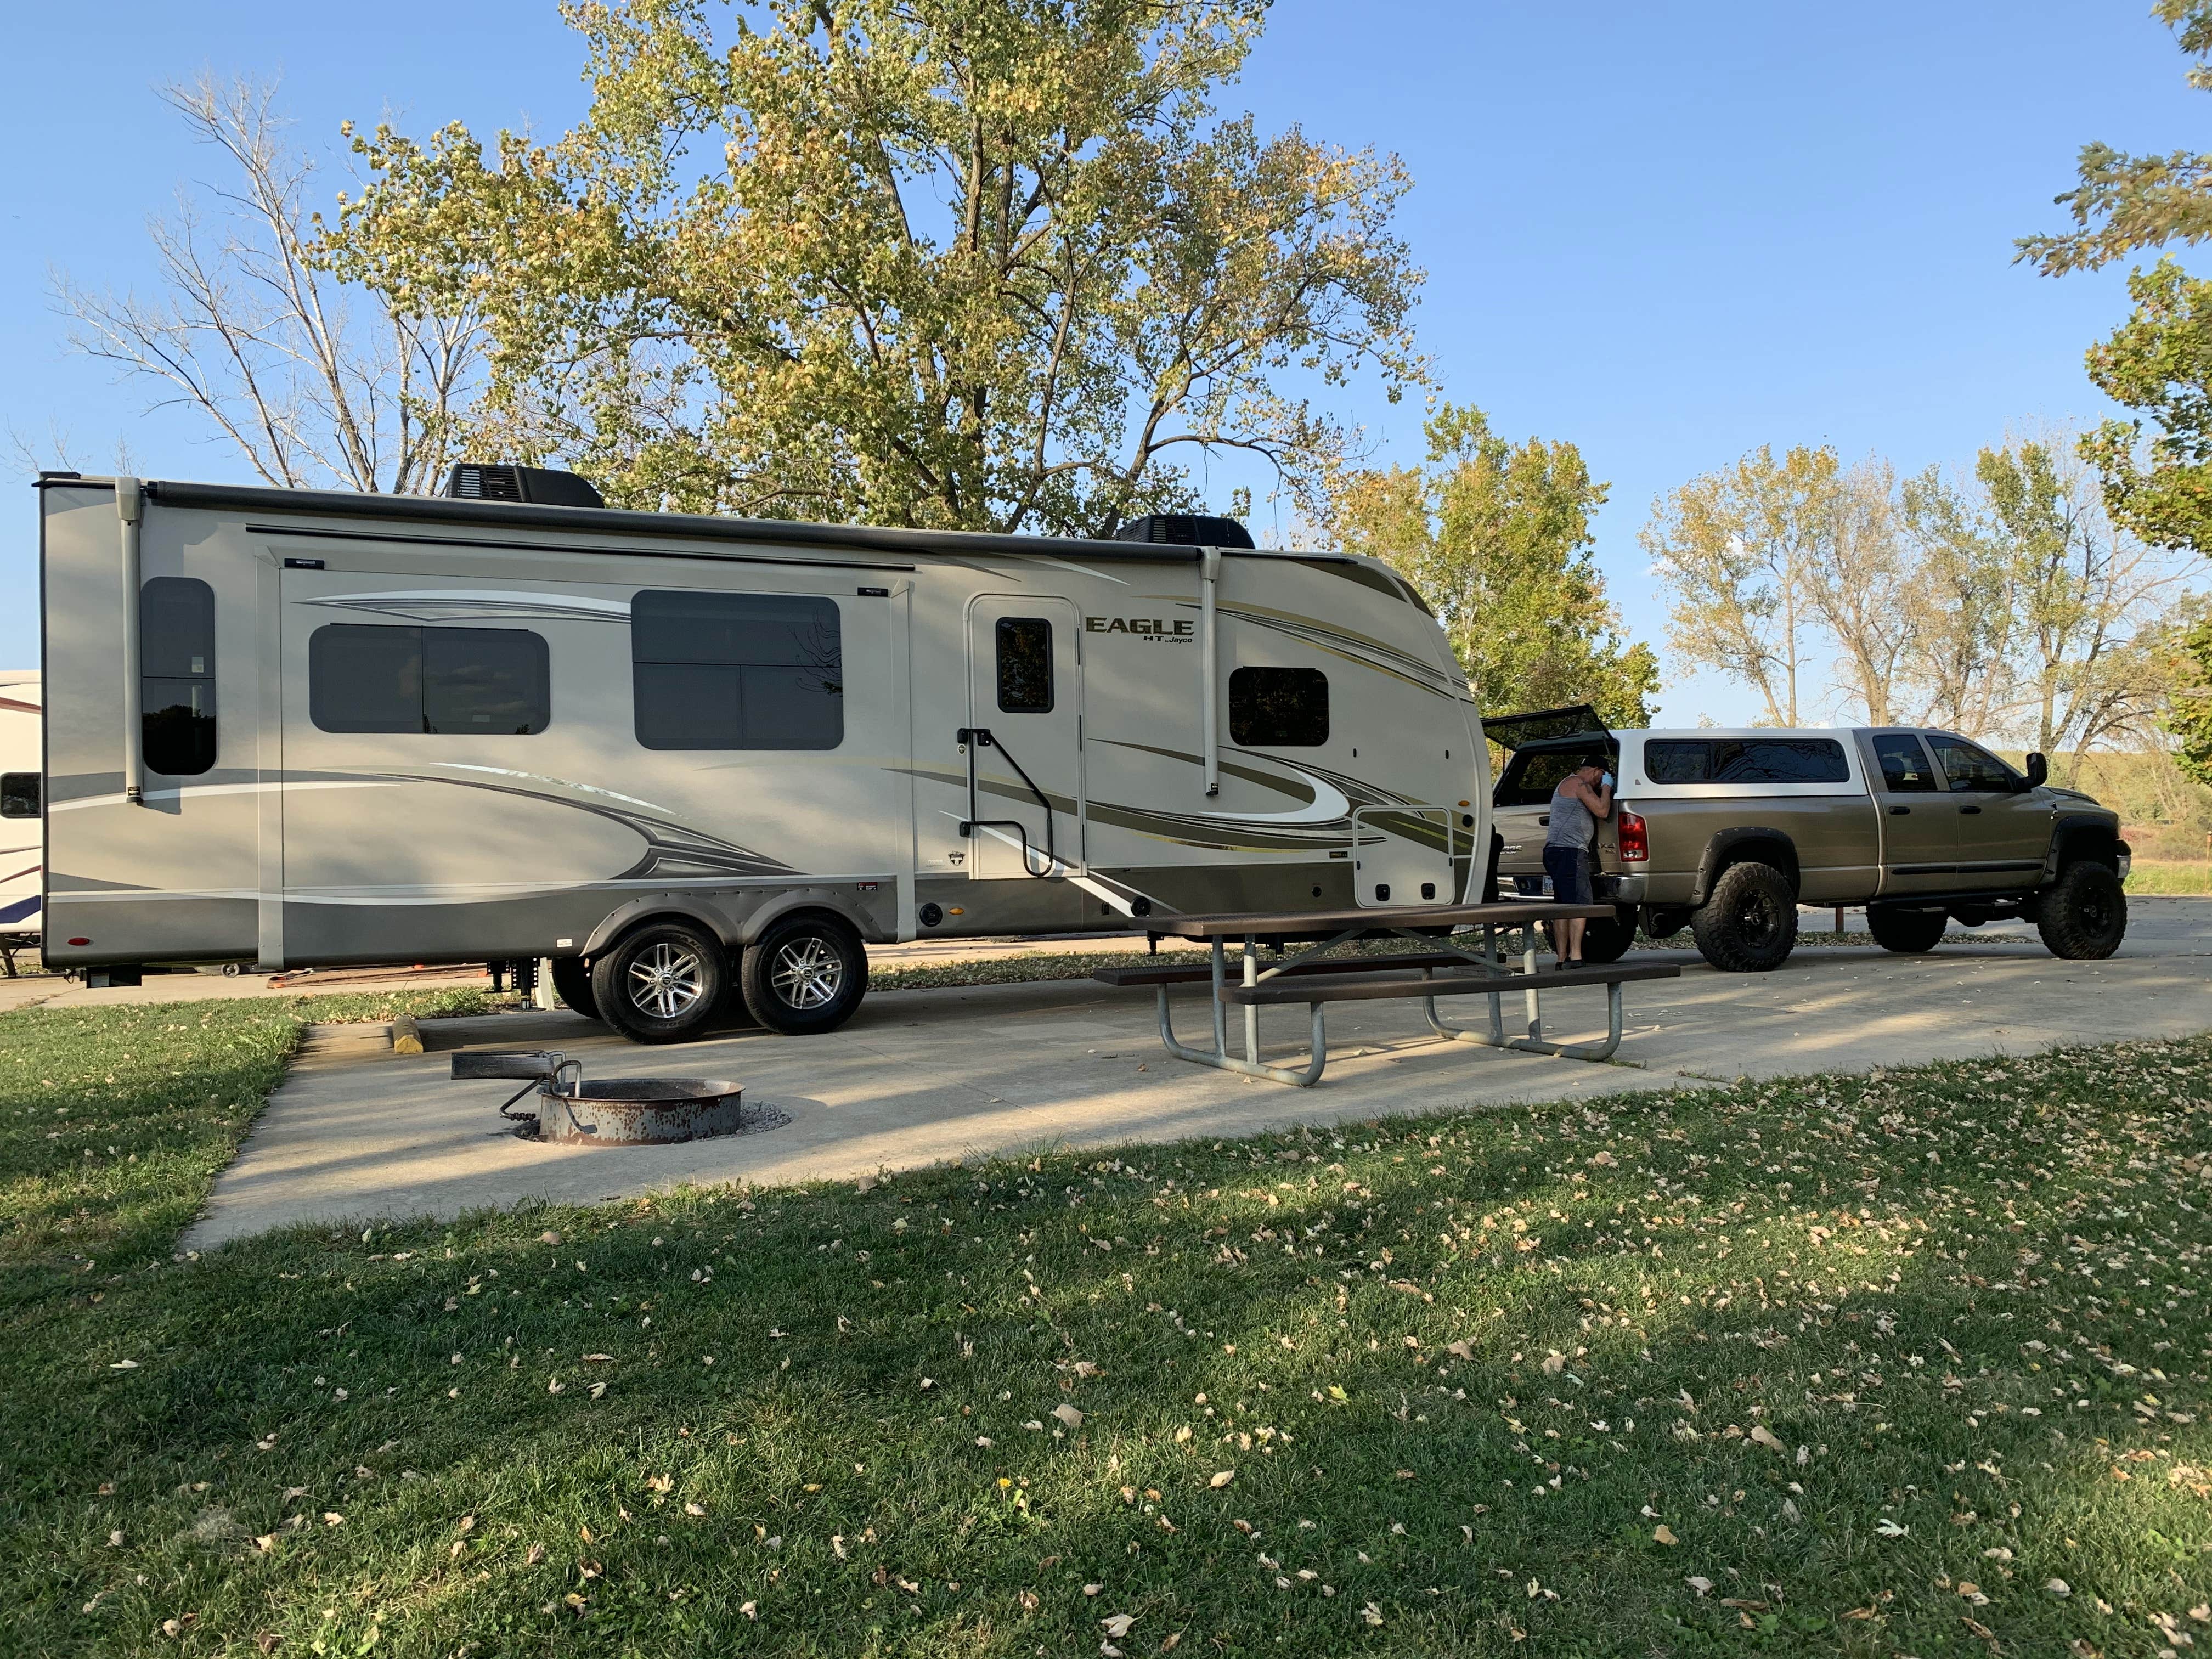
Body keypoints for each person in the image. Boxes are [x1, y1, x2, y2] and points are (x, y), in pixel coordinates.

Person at [1543, 760, 1613, 968]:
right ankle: (1575, 957)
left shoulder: (1567, 784)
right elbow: (1602, 810)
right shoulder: (1578, 784)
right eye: (1602, 777)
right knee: (1580, 904)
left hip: (1556, 851)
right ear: (1596, 771)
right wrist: (1608, 787)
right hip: (1570, 852)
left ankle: (1561, 958)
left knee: (1563, 907)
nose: (1600, 783)